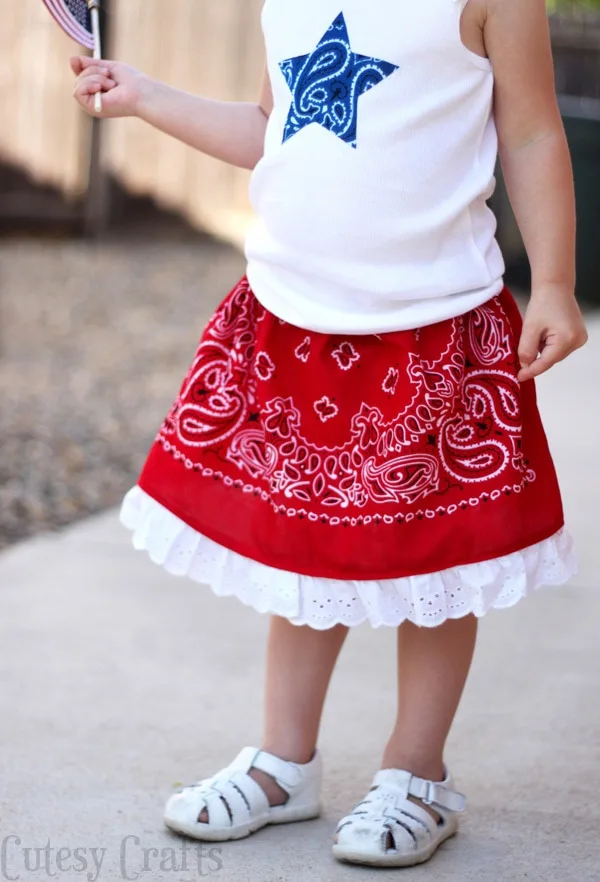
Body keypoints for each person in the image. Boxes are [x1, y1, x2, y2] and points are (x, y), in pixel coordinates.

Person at [72, 0, 587, 868]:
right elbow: (275, 128)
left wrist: (558, 285)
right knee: (302, 555)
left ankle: (416, 775)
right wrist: (146, 96)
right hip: (297, 318)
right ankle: (284, 762)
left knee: (439, 561)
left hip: (432, 325)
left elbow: (532, 133)